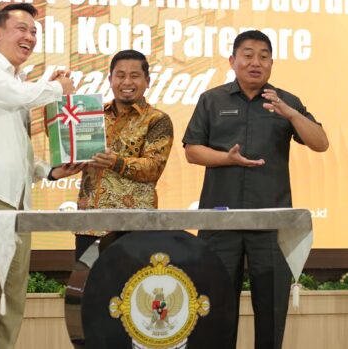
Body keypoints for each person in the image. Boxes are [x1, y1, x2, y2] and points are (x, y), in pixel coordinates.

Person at [182, 30, 328, 349]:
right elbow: (192, 150)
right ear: (232, 61)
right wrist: (227, 158)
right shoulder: (212, 100)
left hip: (270, 224)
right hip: (220, 222)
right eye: (247, 55)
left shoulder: (285, 101)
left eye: (263, 56)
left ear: (272, 63)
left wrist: (291, 114)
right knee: (216, 309)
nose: (255, 62)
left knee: (272, 311)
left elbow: (321, 143)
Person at [0, 2, 84, 349]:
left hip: (18, 205)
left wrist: (49, 171)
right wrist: (57, 88)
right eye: (22, 29)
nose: (30, 37)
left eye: (34, 32)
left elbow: (18, 149)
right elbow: (16, 97)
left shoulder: (19, 84)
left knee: (9, 300)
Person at [74, 49, 174, 259]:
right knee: (89, 279)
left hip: (135, 226)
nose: (127, 82)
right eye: (120, 75)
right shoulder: (92, 115)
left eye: (134, 76)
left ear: (147, 81)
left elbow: (154, 167)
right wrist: (56, 95)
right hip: (90, 224)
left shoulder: (157, 119)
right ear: (110, 80)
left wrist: (116, 162)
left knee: (131, 280)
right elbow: (64, 141)